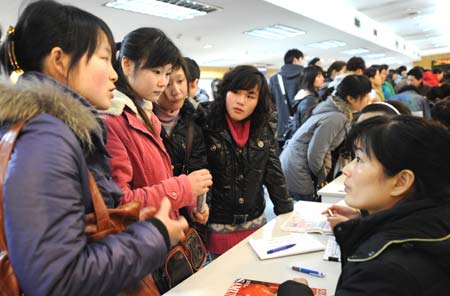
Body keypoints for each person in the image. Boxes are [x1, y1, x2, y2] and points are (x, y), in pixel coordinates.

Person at [0, 1, 188, 294]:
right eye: (103, 58)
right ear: (59, 61)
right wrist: (155, 234)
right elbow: (57, 280)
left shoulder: (49, 130)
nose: (115, 74)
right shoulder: (46, 138)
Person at [279, 116, 450, 296]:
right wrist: (367, 220)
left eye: (359, 159)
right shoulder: (436, 223)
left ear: (401, 182)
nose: (347, 170)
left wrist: (294, 291)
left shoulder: (385, 272)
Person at [102, 27, 212, 222]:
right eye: (156, 71)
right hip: (142, 239)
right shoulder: (113, 120)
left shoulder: (146, 114)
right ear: (127, 65)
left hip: (160, 231)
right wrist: (184, 187)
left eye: (167, 73)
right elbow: (121, 203)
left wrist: (189, 201)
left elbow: (157, 180)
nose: (163, 82)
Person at [204, 65, 293, 256]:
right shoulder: (206, 124)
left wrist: (286, 212)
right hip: (218, 225)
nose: (240, 101)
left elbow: (273, 170)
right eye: (235, 92)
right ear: (225, 91)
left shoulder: (262, 126)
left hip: (255, 220)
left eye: (250, 96)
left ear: (258, 101)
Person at [280, 75, 371, 201]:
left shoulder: (334, 111)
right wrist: (322, 177)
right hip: (300, 170)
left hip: (295, 164)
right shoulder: (336, 117)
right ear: (350, 98)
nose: (369, 99)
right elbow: (316, 153)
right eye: (366, 95)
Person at [269, 48, 305, 150]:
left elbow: (270, 104)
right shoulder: (306, 75)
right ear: (295, 60)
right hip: (302, 127)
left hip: (281, 127)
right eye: (301, 59)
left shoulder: (274, 79)